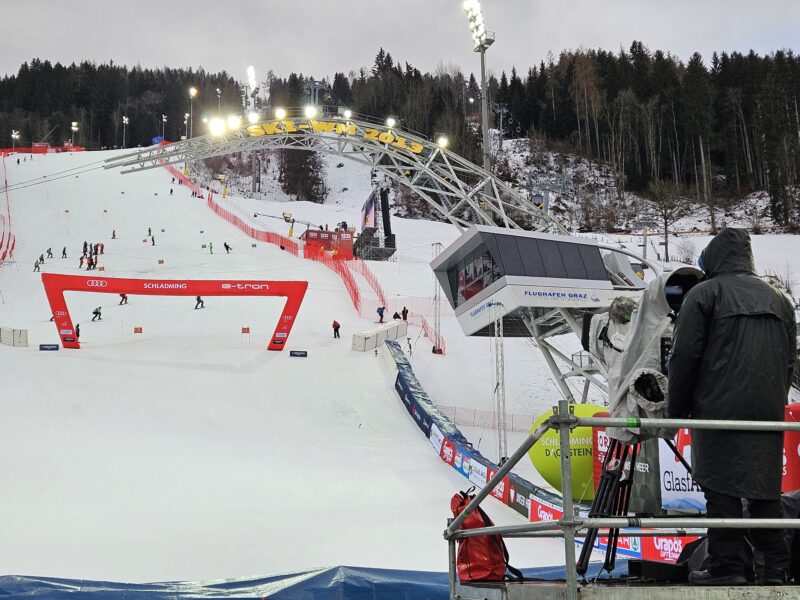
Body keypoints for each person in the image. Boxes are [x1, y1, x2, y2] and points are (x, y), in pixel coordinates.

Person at [668, 228, 796, 586]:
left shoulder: (704, 294)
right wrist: (775, 399)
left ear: (713, 258)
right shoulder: (780, 299)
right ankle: (776, 568)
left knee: (720, 486)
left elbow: (684, 357)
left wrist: (676, 410)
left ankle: (728, 567)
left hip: (717, 408)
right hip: (767, 409)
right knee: (765, 489)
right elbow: (789, 360)